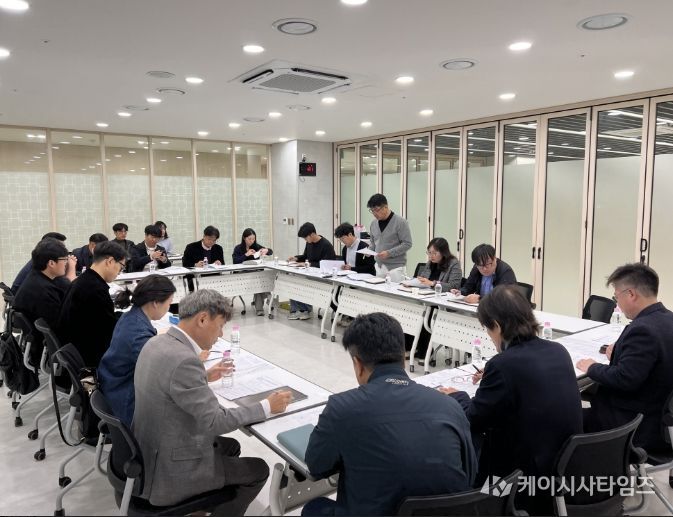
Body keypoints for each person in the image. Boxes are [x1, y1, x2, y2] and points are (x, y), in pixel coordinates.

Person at [133, 290, 292, 516]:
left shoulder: (156, 342)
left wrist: (203, 376)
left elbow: (169, 383)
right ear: (202, 319)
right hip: (169, 471)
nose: (220, 334)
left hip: (148, 452)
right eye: (219, 326)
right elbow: (216, 422)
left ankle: (203, 506)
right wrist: (266, 406)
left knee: (231, 447)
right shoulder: (184, 361)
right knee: (258, 470)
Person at [303, 313, 476, 516]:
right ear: (403, 356)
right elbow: (470, 473)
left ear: (358, 364)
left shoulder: (342, 408)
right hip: (450, 513)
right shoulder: (450, 406)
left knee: (314, 508)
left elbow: (316, 465)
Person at [443, 285, 582, 515]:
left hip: (522, 477)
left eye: (488, 330)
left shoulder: (503, 365)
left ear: (497, 326)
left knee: (470, 439)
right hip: (563, 463)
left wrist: (457, 396)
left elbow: (474, 418)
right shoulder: (558, 350)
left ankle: (482, 504)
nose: (490, 337)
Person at [577, 263, 673, 452]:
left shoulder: (643, 329)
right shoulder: (667, 318)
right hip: (657, 415)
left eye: (616, 297)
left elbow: (624, 379)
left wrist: (592, 367)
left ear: (631, 294)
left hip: (631, 424)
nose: (616, 304)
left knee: (559, 416)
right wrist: (619, 352)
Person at [97, 275, 177, 426]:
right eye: (169, 302)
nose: (169, 307)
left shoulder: (131, 316)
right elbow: (163, 373)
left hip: (113, 384)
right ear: (155, 303)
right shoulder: (138, 334)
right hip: (126, 400)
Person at [57, 241, 127, 367]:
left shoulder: (82, 280)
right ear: (110, 261)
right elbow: (110, 331)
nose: (119, 272)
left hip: (75, 349)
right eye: (121, 267)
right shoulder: (95, 289)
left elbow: (103, 320)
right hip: (90, 358)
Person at [13, 238, 77, 366]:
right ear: (51, 263)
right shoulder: (41, 291)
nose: (66, 263)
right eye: (64, 259)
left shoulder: (38, 276)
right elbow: (62, 326)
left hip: (40, 342)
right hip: (49, 349)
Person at [414, 238, 463, 363]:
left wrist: (433, 283)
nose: (431, 256)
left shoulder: (454, 264)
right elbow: (424, 278)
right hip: (428, 299)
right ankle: (412, 348)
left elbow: (454, 285)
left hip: (444, 304)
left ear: (443, 252)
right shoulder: (430, 263)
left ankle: (425, 352)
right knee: (412, 311)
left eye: (434, 253)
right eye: (429, 252)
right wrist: (415, 282)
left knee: (427, 313)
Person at [287, 222, 336, 320]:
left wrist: (308, 264)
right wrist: (296, 258)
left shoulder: (326, 245)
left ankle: (304, 310)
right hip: (310, 274)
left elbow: (326, 265)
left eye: (306, 238)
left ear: (312, 234)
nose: (305, 240)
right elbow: (305, 256)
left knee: (300, 283)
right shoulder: (309, 243)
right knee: (293, 279)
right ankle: (300, 310)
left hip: (322, 278)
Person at [366, 193, 412, 279]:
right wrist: (368, 251)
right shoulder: (373, 223)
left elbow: (407, 244)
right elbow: (373, 242)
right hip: (379, 267)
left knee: (395, 288)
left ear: (385, 207)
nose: (374, 213)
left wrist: (389, 253)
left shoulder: (400, 222)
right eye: (372, 211)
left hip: (396, 268)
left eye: (376, 210)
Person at [232, 228, 273, 316]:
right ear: (244, 238)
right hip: (242, 274)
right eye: (249, 239)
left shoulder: (256, 246)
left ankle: (260, 308)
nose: (252, 241)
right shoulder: (238, 248)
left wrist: (266, 250)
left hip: (255, 274)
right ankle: (267, 296)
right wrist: (246, 254)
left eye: (253, 239)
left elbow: (270, 251)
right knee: (258, 279)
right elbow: (235, 261)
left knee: (259, 279)